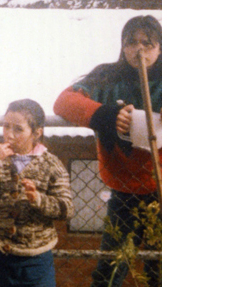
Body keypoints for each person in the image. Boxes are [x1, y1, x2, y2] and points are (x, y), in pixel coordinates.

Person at [53, 15, 162, 287]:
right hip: (124, 194)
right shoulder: (107, 77)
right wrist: (105, 115)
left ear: (160, 48)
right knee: (110, 272)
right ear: (122, 47)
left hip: (165, 191)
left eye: (147, 43)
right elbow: (63, 102)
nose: (139, 49)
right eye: (131, 42)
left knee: (160, 272)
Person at [0, 99, 74, 287]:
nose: (9, 135)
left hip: (36, 261)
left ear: (37, 132)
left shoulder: (52, 164)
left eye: (18, 129)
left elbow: (67, 209)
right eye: (6, 126)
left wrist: (39, 199)